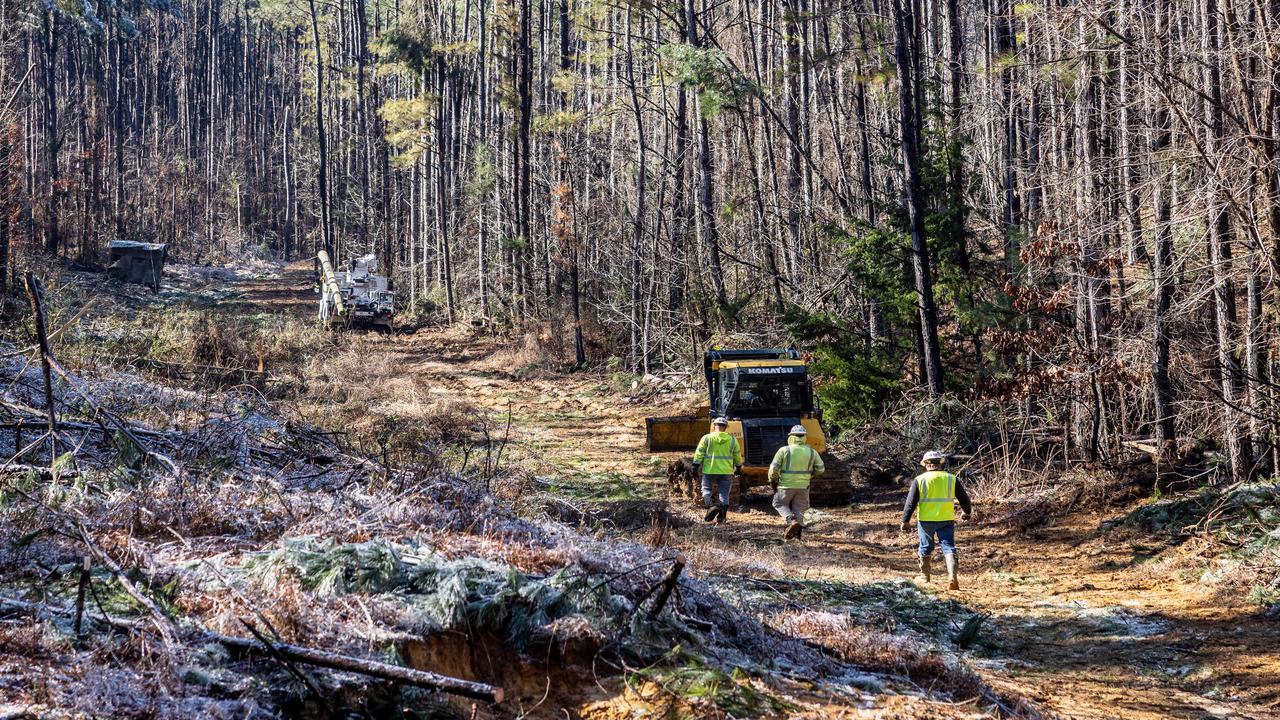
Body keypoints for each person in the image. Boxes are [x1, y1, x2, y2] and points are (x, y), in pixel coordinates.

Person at [900, 450, 973, 590]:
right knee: (948, 546)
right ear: (940, 463)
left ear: (925, 464)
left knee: (925, 547)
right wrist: (967, 512)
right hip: (946, 519)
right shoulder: (951, 478)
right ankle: (952, 577)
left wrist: (905, 520)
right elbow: (964, 498)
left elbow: (910, 503)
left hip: (926, 520)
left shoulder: (920, 480)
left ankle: (925, 577)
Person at [768, 425, 824, 540]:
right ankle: (797, 537)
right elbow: (820, 469)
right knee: (800, 511)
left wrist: (773, 480)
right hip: (803, 486)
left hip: (785, 486)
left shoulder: (784, 450)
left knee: (778, 503)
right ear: (804, 437)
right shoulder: (812, 452)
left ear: (791, 437)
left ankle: (790, 520)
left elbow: (773, 469)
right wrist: (810, 476)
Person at [692, 417, 743, 524]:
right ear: (725, 427)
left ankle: (711, 506)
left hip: (709, 470)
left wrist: (695, 466)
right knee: (724, 494)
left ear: (714, 425)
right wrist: (738, 467)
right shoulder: (732, 440)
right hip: (726, 471)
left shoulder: (706, 438)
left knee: (706, 489)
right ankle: (721, 518)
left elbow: (699, 453)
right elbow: (737, 455)